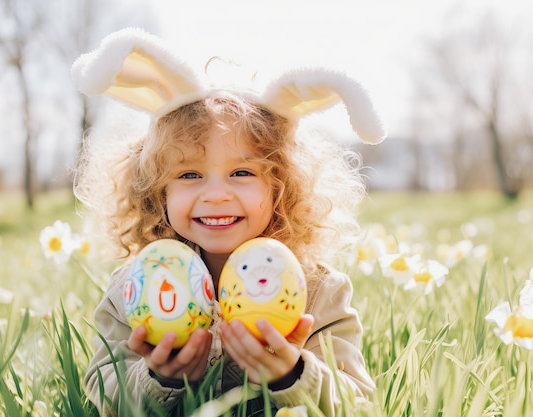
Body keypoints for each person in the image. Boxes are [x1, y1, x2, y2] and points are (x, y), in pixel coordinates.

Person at [72, 27, 386, 417]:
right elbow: (100, 390)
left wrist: (293, 375)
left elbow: (357, 404)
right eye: (189, 175)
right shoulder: (137, 288)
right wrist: (159, 380)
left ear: (281, 188)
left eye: (241, 173)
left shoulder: (318, 291)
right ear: (157, 192)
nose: (216, 194)